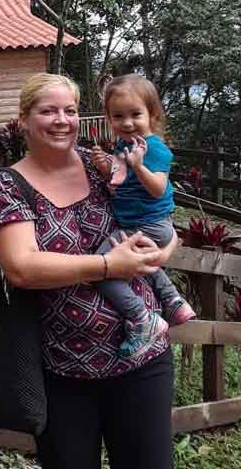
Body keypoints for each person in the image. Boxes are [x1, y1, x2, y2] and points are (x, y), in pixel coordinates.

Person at [0, 73, 177, 469]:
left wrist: (166, 249)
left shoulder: (101, 165)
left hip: (143, 362)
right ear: (24, 119)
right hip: (65, 371)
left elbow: (159, 212)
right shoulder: (9, 185)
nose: (61, 120)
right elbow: (21, 267)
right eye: (48, 110)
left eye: (70, 110)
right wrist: (109, 265)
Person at [91, 74, 196, 359]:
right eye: (118, 116)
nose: (127, 122)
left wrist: (138, 166)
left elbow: (157, 188)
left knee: (103, 271)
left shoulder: (157, 150)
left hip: (148, 224)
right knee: (141, 262)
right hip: (137, 223)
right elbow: (121, 181)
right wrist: (106, 167)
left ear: (152, 113)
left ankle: (142, 320)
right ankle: (173, 301)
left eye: (135, 114)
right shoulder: (124, 146)